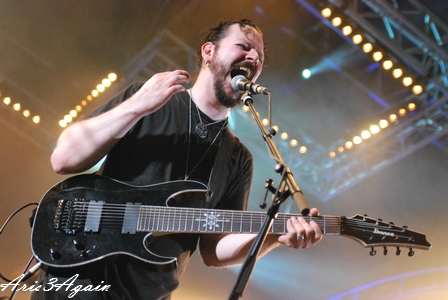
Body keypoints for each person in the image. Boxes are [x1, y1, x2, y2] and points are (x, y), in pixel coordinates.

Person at [33, 18, 322, 299]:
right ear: (209, 52)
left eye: (259, 57)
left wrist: (272, 235)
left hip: (149, 293)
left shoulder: (237, 158)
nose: (254, 57)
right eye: (244, 46)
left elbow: (214, 250)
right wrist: (137, 106)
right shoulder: (148, 100)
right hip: (80, 278)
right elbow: (64, 159)